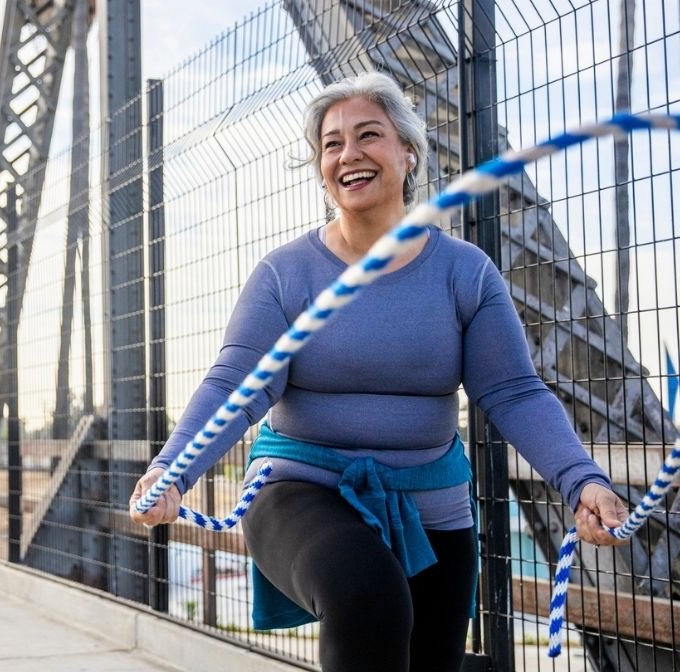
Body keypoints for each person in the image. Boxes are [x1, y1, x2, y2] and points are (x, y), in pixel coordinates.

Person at [127, 71, 628, 672]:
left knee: (426, 663)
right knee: (368, 599)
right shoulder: (286, 274)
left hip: (432, 503)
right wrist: (172, 470)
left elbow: (514, 390)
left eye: (369, 135)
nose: (349, 154)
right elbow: (239, 380)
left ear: (407, 152)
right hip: (299, 490)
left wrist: (582, 482)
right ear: (320, 168)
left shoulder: (464, 273)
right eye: (332, 144)